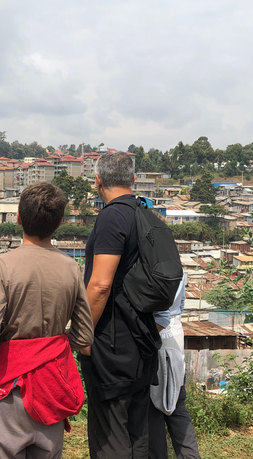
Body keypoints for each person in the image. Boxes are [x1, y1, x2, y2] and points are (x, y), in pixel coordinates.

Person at [0, 182, 94, 459]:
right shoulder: (71, 268)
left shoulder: (4, 265)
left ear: (18, 217)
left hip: (10, 382)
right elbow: (84, 337)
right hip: (52, 384)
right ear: (60, 223)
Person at [79, 151, 162, 458]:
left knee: (109, 436)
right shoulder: (146, 215)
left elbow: (100, 285)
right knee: (137, 434)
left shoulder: (112, 217)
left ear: (98, 181)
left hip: (113, 348)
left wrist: (83, 336)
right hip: (143, 342)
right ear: (133, 180)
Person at [149, 272, 201, 459]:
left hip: (158, 336)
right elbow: (180, 305)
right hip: (176, 336)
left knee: (153, 407)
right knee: (177, 405)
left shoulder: (150, 264)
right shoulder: (177, 267)